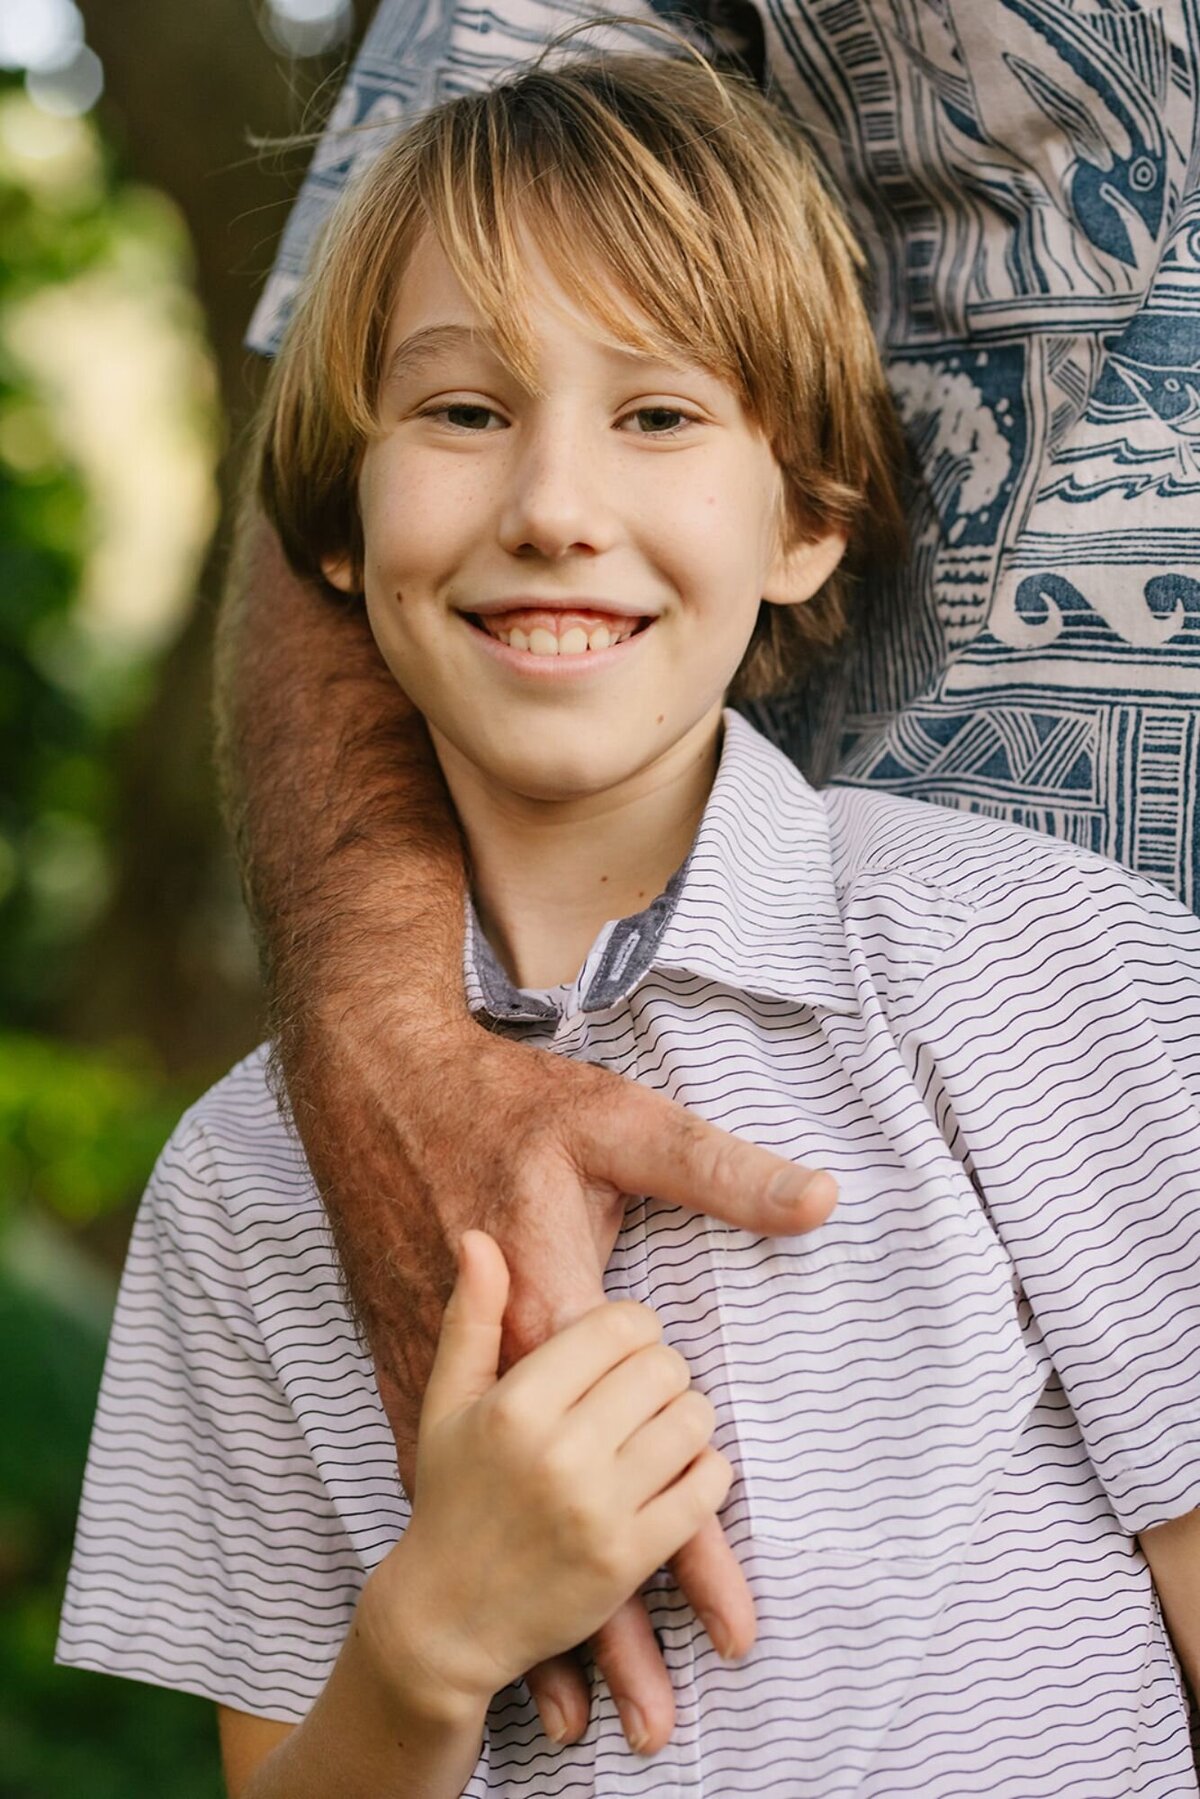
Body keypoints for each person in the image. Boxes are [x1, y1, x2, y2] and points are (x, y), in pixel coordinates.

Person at [58, 49, 1200, 1797]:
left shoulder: (1033, 968)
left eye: (657, 415)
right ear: (342, 528)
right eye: (460, 413)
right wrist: (427, 1643)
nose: (554, 509)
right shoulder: (243, 1190)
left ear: (809, 515)